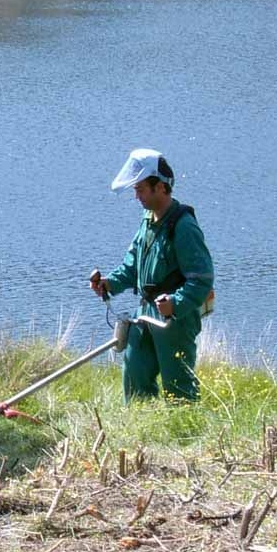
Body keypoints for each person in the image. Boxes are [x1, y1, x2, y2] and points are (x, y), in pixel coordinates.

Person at [91, 148, 214, 402]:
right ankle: (141, 425)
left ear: (160, 187)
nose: (136, 196)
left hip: (175, 319)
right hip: (145, 313)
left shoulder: (184, 226)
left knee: (179, 389)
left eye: (141, 190)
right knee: (134, 375)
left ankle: (185, 427)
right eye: (135, 190)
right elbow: (131, 266)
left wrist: (175, 303)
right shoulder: (147, 221)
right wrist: (109, 283)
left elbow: (202, 279)